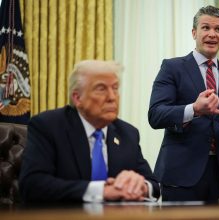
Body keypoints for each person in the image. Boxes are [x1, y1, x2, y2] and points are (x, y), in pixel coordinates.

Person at [148, 5, 219, 201]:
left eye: (218, 29)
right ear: (194, 32)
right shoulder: (172, 68)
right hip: (181, 174)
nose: (212, 34)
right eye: (206, 28)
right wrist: (194, 109)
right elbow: (156, 114)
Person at [19, 60, 160, 203]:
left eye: (115, 88)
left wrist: (140, 186)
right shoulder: (48, 126)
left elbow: (154, 186)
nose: (112, 97)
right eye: (101, 88)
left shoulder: (127, 133)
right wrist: (102, 191)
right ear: (77, 98)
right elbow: (32, 185)